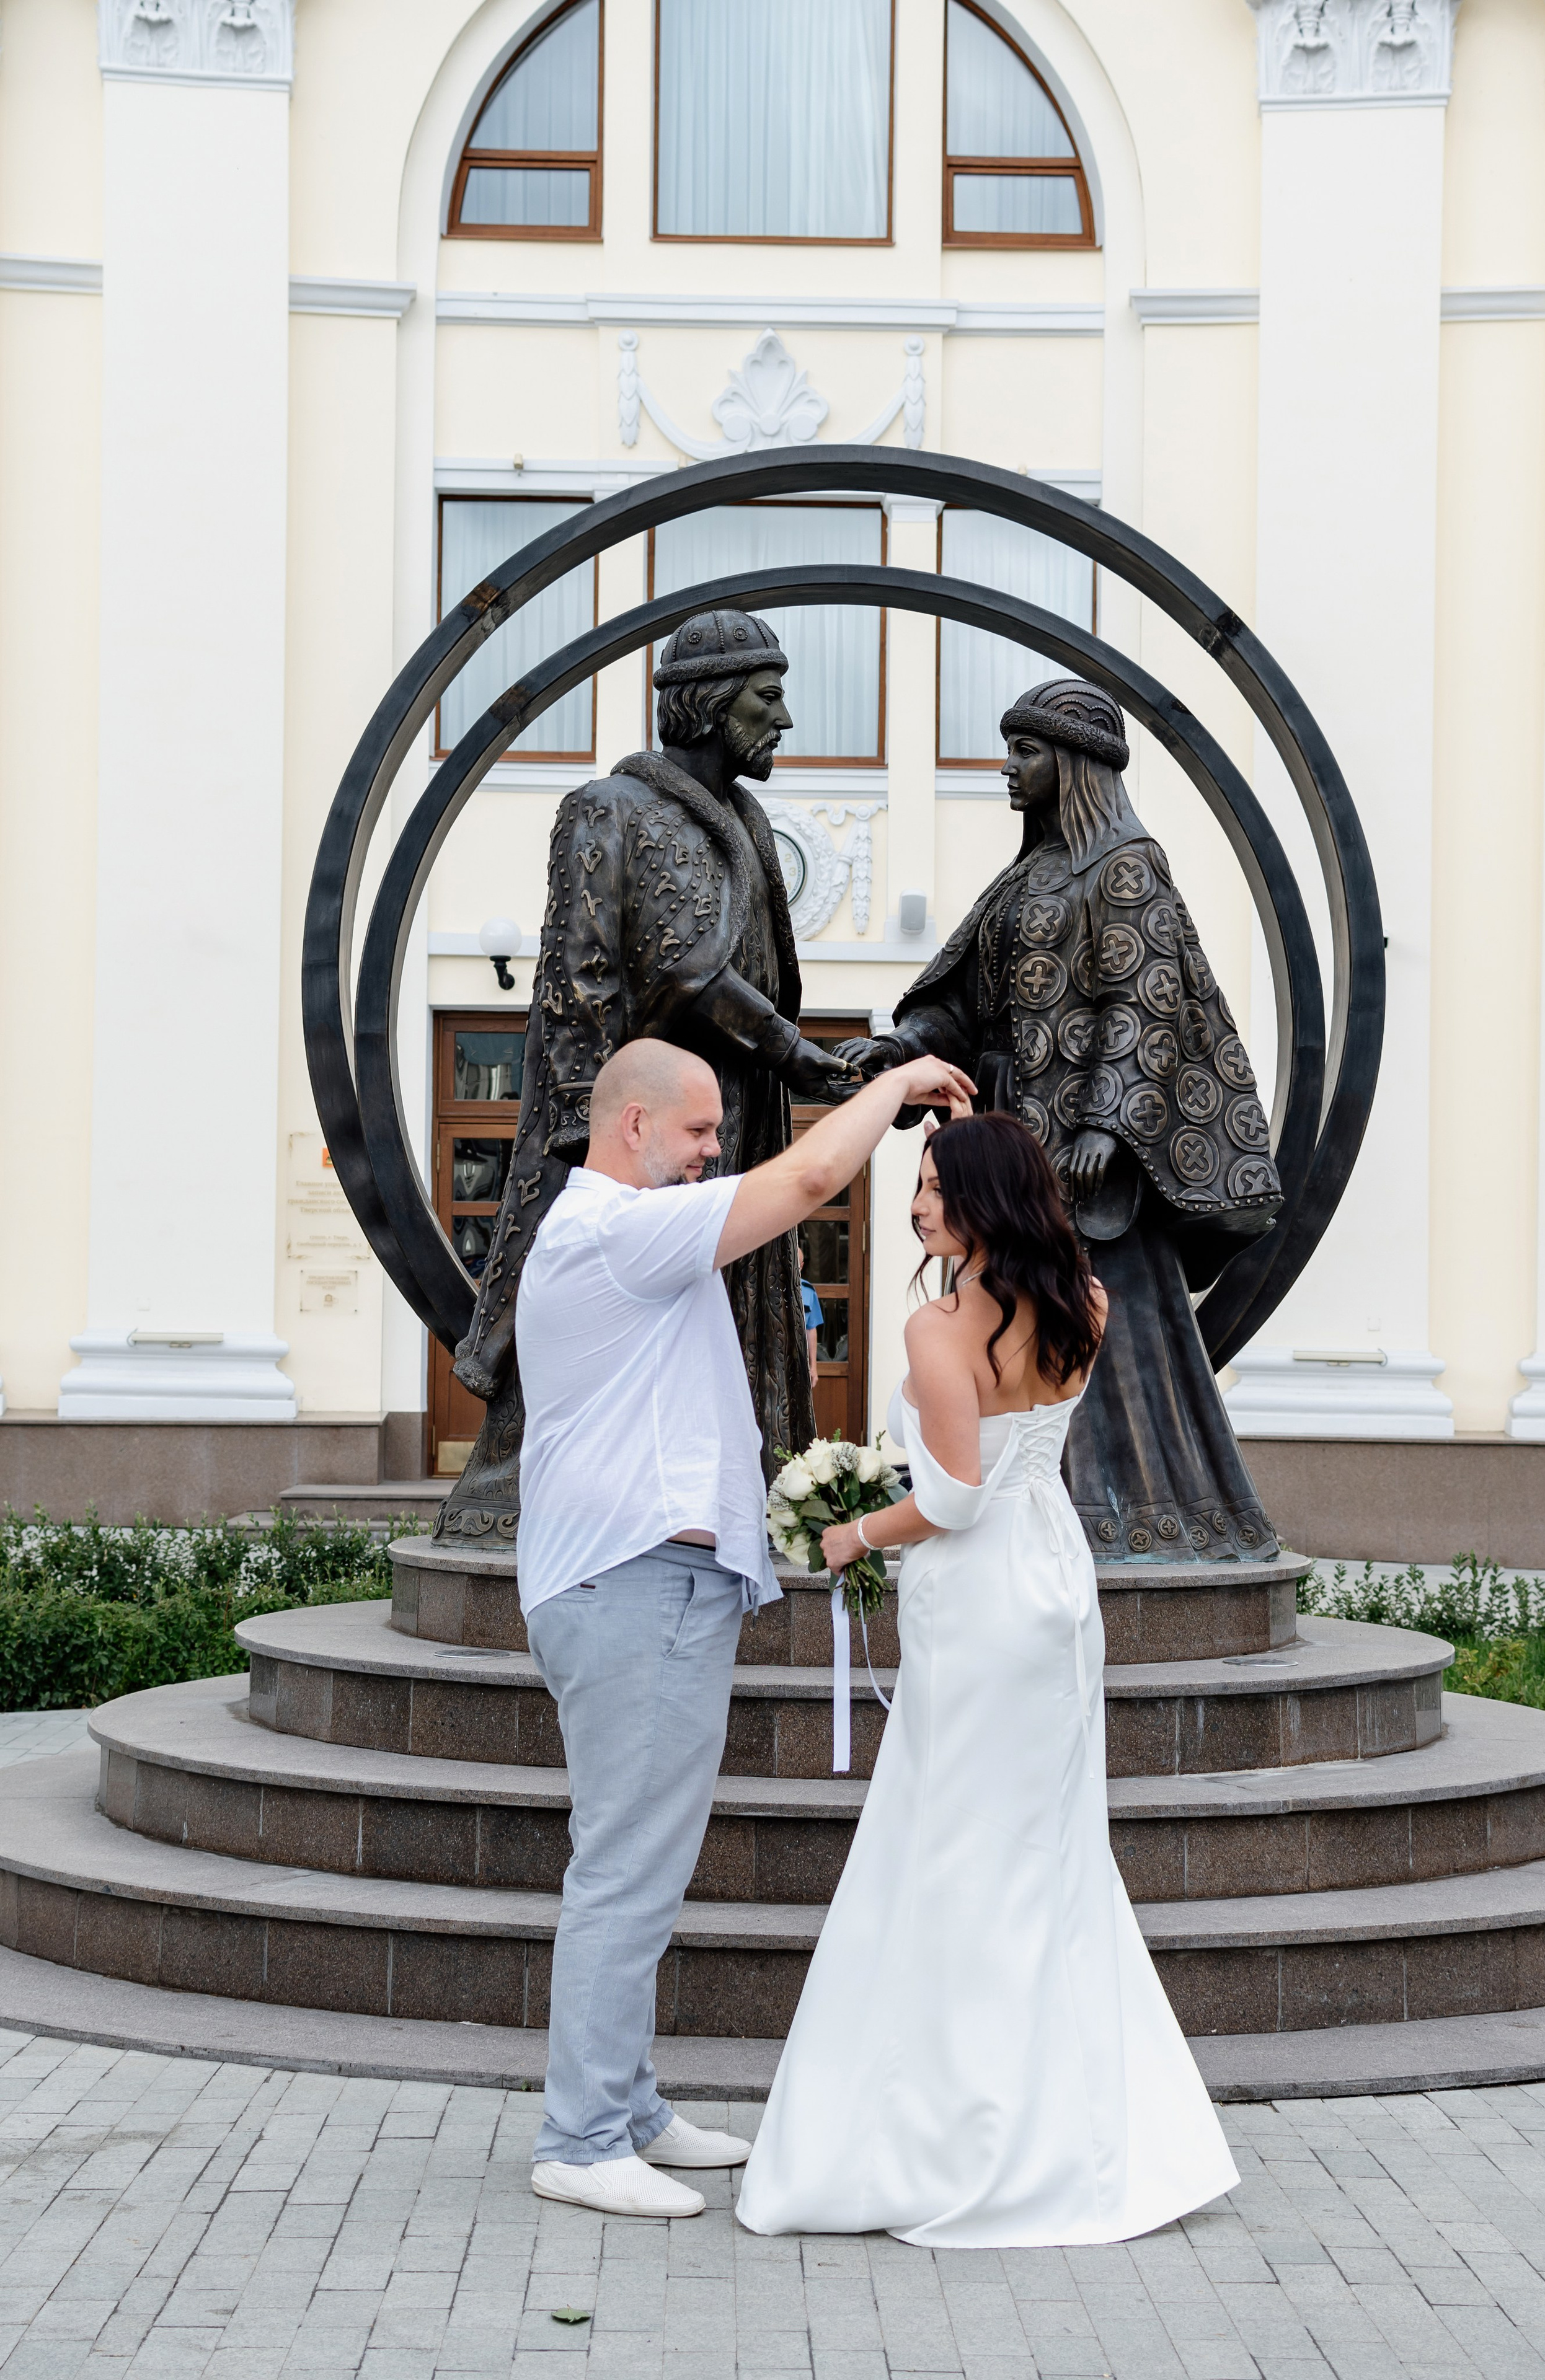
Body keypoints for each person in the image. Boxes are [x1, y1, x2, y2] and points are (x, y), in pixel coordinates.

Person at [735, 1112, 1240, 2247]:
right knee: (1047, 1851)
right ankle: (1075, 2124)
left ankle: (958, 2132)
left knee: (956, 1848)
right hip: (1057, 1581)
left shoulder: (937, 1328)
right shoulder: (1087, 1306)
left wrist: (857, 1531)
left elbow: (956, 1500)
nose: (918, 1205)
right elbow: (1018, 1462)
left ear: (982, 1201)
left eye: (932, 1187)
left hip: (979, 1597)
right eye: (916, 1187)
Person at [518, 1033, 975, 2222]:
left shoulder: (616, 1236)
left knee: (645, 1864)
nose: (716, 1153)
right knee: (626, 1867)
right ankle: (578, 2137)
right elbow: (813, 1181)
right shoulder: (616, 1230)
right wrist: (890, 1086)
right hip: (634, 1588)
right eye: (702, 1133)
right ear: (634, 1129)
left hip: (648, 1587)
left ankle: (627, 2110)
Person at [832, 679, 1282, 1564]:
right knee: (1012, 1317)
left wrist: (1106, 1130)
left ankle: (1139, 1517)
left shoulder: (1125, 864)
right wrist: (904, 1049)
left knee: (1093, 1323)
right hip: (1012, 1139)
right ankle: (1005, 1493)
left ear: (1075, 765)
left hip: (1084, 1159)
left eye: (1026, 752)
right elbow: (960, 1000)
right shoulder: (1026, 877)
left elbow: (1145, 1003)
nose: (1008, 767)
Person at [440, 607, 857, 1545]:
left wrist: (802, 1060)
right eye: (769, 697)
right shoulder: (609, 810)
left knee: (734, 1319)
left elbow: (748, 977)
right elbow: (632, 974)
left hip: (733, 1120)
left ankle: (748, 1491)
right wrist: (604, 1130)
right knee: (600, 1316)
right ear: (709, 706)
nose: (784, 721)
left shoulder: (747, 824)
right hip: (626, 1136)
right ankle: (517, 1497)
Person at [798, 1246, 823, 1396]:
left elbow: (811, 1329)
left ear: (801, 1266)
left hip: (799, 1360)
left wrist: (813, 1367)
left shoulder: (808, 1291)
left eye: (796, 1263)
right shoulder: (770, 1289)